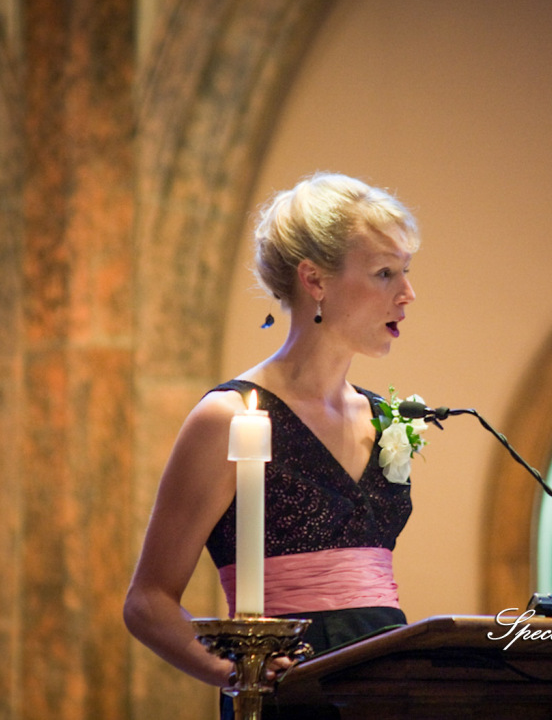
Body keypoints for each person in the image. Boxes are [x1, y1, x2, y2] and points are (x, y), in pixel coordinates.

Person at [123, 172, 420, 715]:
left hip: (386, 690)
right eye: (384, 273)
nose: (407, 294)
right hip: (283, 696)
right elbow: (147, 602)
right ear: (315, 280)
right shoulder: (229, 418)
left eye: (406, 271)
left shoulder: (385, 420)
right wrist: (237, 675)